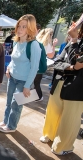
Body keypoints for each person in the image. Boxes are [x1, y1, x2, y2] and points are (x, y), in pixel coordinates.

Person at [40, 23, 83, 156]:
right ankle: (50, 134)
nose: (73, 26)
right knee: (53, 111)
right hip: (60, 83)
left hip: (77, 88)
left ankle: (63, 146)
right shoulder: (71, 43)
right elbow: (57, 61)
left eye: (78, 25)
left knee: (69, 118)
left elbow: (77, 62)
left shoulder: (74, 42)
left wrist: (74, 41)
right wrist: (70, 68)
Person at [0, 14, 41, 133]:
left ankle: (11, 126)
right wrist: (8, 68)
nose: (20, 29)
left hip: (23, 81)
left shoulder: (34, 45)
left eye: (24, 27)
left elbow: (34, 68)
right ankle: (6, 121)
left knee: (16, 105)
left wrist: (27, 85)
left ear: (31, 28)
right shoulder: (16, 42)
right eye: (19, 26)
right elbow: (13, 59)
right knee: (8, 101)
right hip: (12, 77)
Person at [34, 28, 58, 101]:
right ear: (49, 35)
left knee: (29, 81)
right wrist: (54, 45)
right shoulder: (46, 44)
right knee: (36, 82)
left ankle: (35, 95)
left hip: (32, 64)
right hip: (40, 66)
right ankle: (39, 96)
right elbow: (51, 55)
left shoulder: (36, 41)